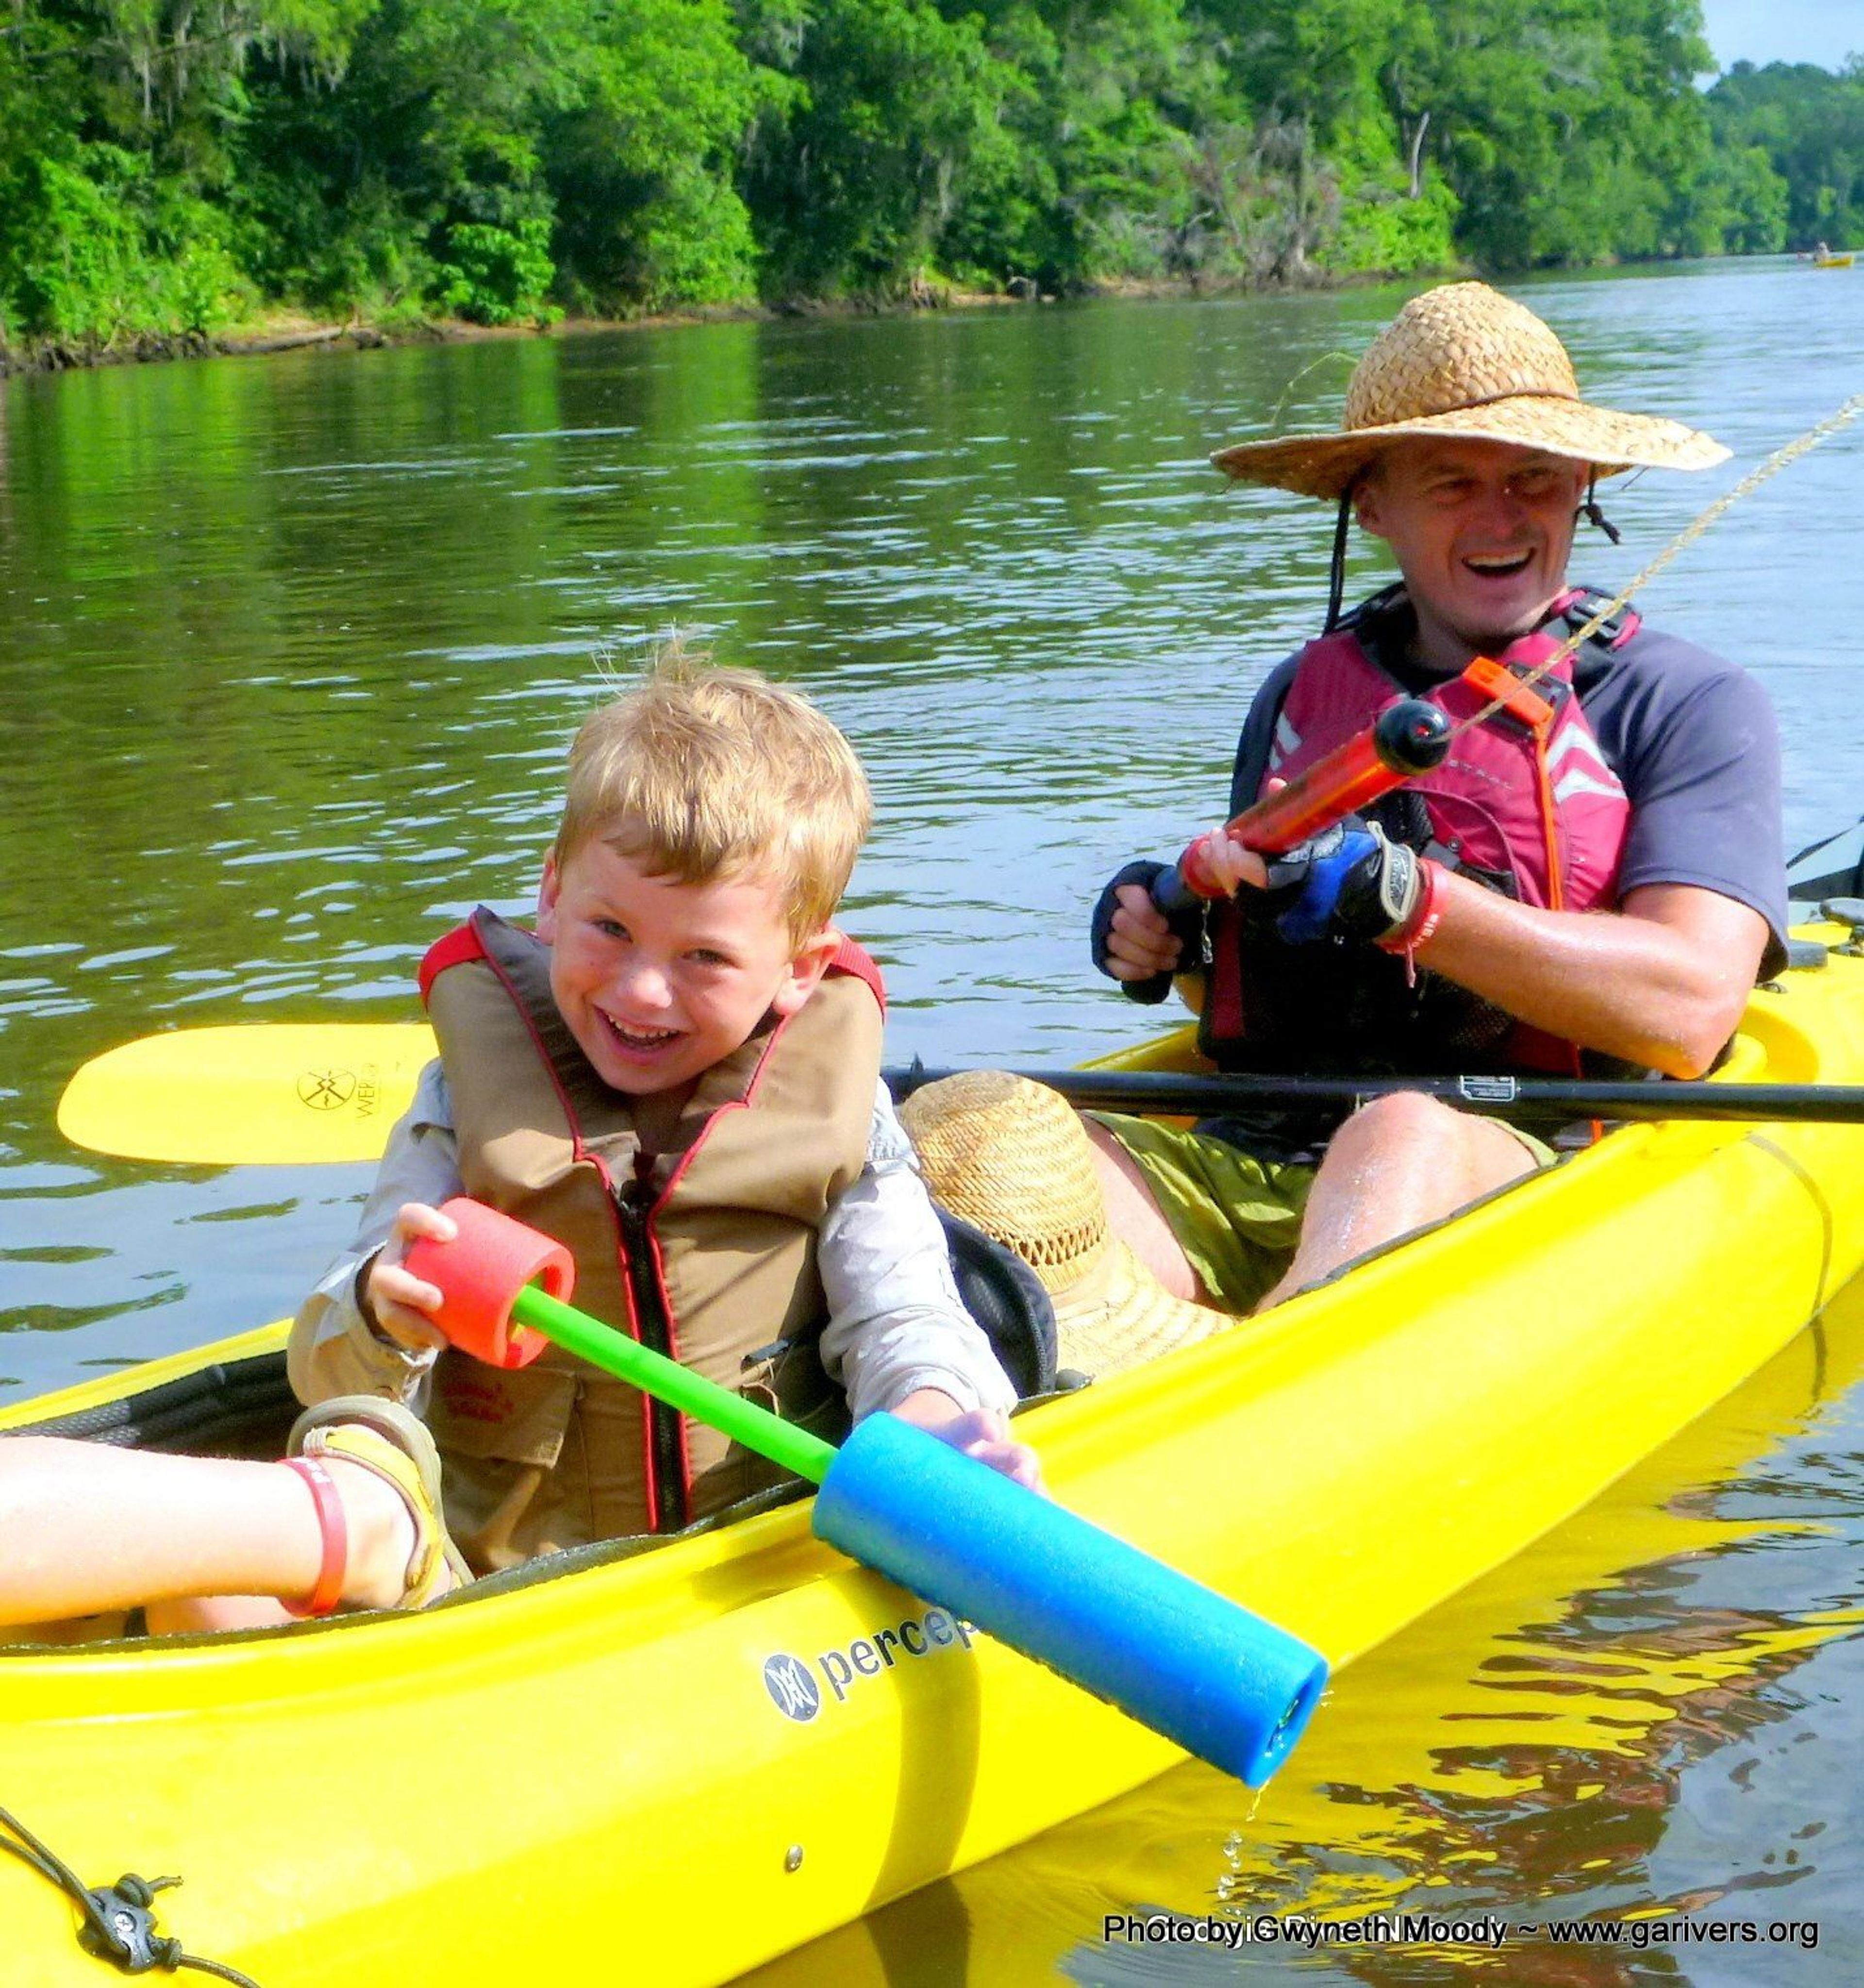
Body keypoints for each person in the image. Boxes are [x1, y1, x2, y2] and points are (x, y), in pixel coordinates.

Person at [0, 659, 1037, 1635]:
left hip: (750, 1559)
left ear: (800, 969)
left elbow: (908, 1317)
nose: (640, 990)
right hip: (479, 1584)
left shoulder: (843, 1121)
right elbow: (328, 1364)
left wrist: (936, 1421)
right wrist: (379, 1307)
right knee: (236, 1578)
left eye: (705, 957)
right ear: (551, 894)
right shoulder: (465, 1095)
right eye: (610, 930)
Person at [1080, 280, 1789, 1318]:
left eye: (1536, 478)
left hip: (1523, 1148)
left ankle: (1284, 1371)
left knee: (1401, 1130)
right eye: (1453, 482)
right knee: (1003, 1131)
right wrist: (1171, 934)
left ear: (1582, 480)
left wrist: (1413, 901)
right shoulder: (1296, 695)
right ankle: (1087, 1379)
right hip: (1265, 1146)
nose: (1502, 518)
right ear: (1372, 505)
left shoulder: (1689, 702)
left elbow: (1688, 1011)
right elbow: (1261, 987)